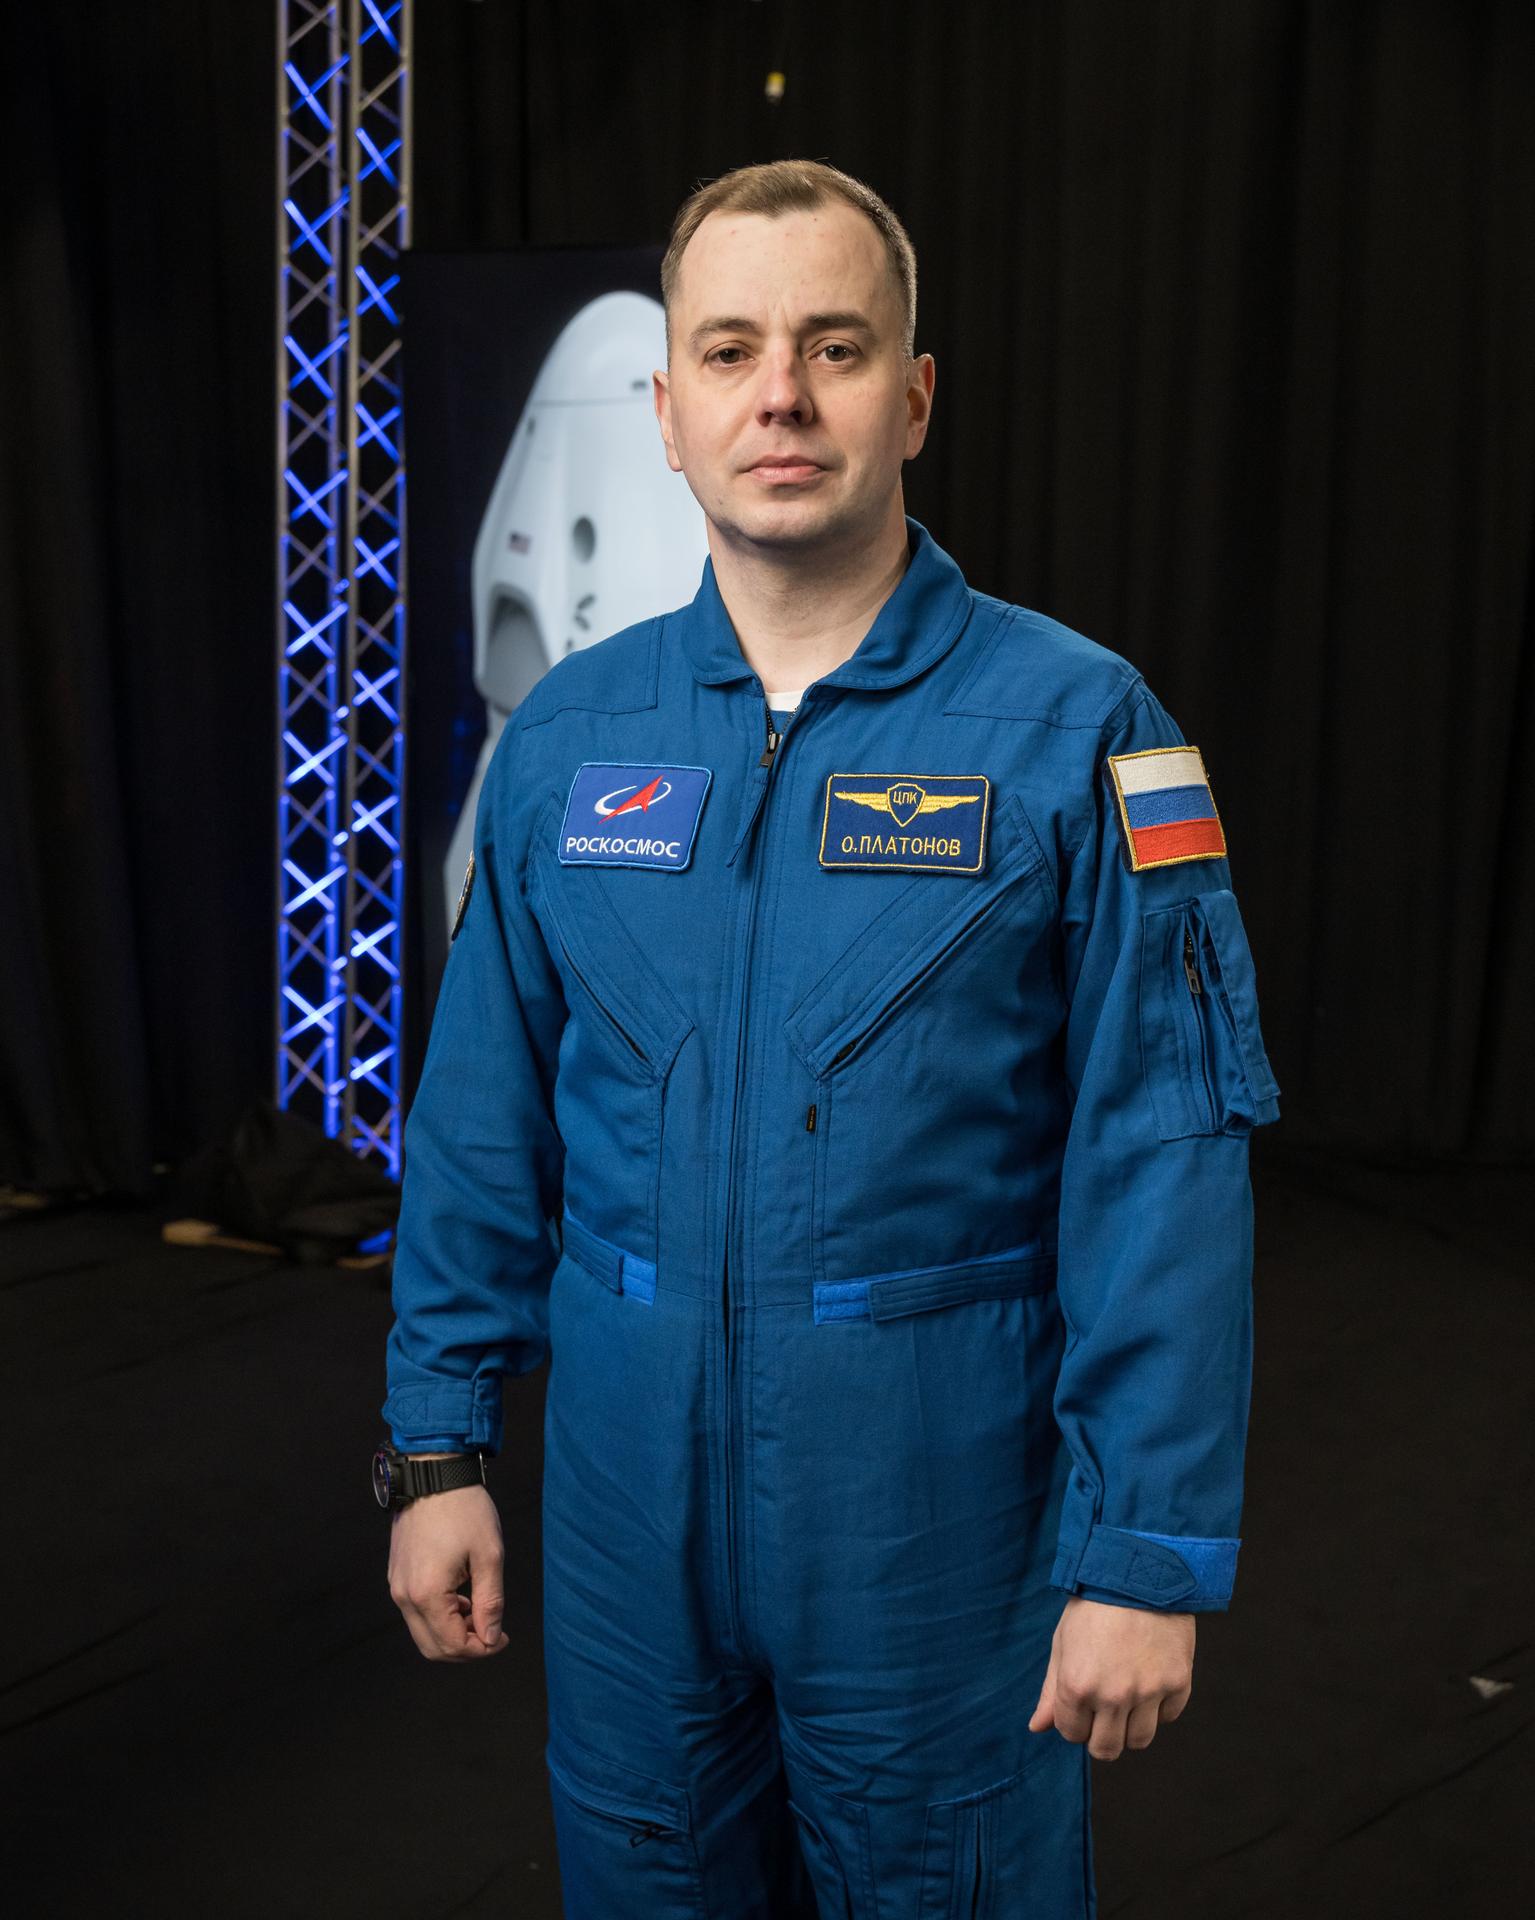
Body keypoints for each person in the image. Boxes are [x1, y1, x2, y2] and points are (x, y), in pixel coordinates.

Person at [378, 159, 1280, 1918]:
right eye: (731, 350)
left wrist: (1145, 1559)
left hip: (934, 1532)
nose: (779, 393)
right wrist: (436, 1448)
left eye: (835, 346)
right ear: (670, 409)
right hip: (629, 1533)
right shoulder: (572, 739)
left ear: (915, 397)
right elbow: (482, 1120)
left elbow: (1163, 1158)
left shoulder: (1079, 731)